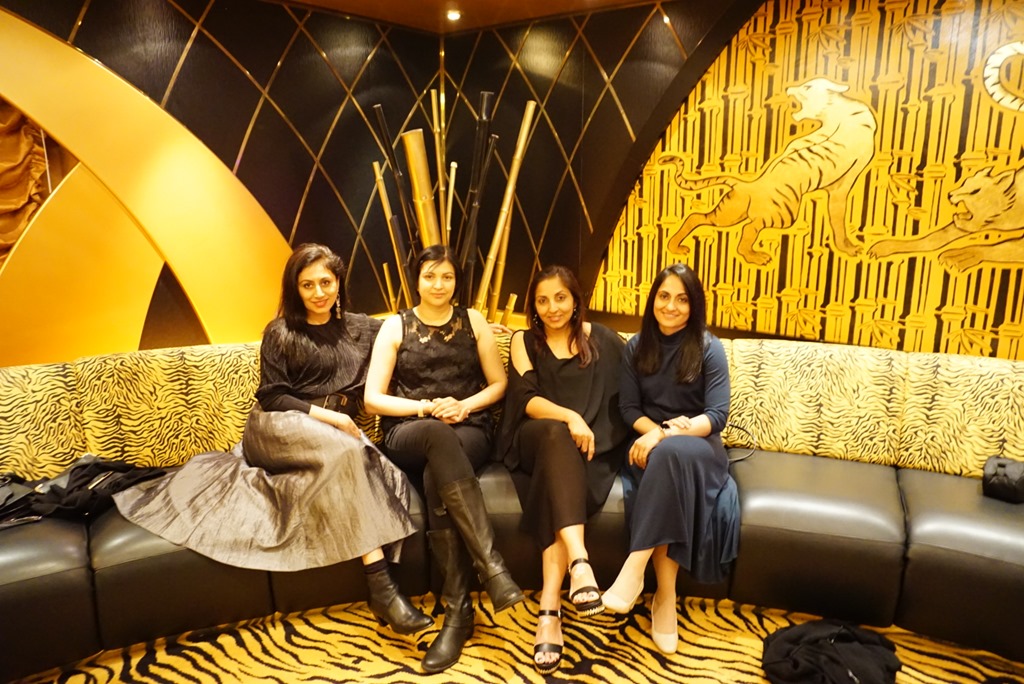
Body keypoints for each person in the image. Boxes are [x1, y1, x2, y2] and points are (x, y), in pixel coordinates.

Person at [115, 243, 431, 635]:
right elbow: (272, 396)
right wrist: (333, 416)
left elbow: (414, 330)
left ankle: (382, 591)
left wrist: (476, 328)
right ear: (294, 288)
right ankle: (382, 587)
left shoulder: (362, 328)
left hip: (330, 436)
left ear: (338, 282)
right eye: (307, 285)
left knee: (350, 455)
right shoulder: (280, 332)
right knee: (352, 453)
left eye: (326, 282)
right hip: (278, 426)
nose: (318, 292)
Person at [364, 244, 524, 673]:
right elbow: (373, 399)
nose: (439, 284)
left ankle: (458, 614)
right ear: (416, 280)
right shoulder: (395, 326)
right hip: (409, 430)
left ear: (457, 281)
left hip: (468, 428)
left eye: (447, 276)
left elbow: (498, 384)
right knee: (436, 436)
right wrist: (426, 408)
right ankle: (491, 567)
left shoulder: (473, 321)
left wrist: (464, 406)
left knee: (440, 471)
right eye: (430, 276)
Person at [601, 263, 739, 654]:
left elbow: (717, 416)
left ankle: (634, 570)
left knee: (670, 454)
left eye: (682, 299)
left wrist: (663, 434)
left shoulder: (709, 348)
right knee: (665, 463)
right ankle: (665, 597)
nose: (671, 306)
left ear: (694, 305)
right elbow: (629, 409)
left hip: (698, 444)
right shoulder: (636, 346)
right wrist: (655, 434)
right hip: (653, 445)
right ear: (653, 300)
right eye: (664, 296)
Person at [498, 265, 630, 673]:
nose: (552, 308)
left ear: (575, 300)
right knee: (557, 436)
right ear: (533, 305)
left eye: (560, 298)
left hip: (588, 451)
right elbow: (526, 400)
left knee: (557, 486)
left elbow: (636, 389)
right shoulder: (523, 341)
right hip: (535, 439)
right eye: (542, 300)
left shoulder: (604, 340)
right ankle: (580, 561)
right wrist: (571, 417)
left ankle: (549, 609)